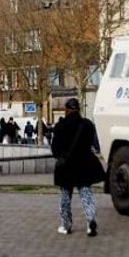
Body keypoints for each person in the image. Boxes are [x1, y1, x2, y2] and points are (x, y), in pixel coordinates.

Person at [51, 98, 105, 236]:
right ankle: (90, 220)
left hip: (66, 166)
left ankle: (66, 225)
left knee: (65, 196)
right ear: (79, 109)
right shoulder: (87, 125)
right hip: (84, 164)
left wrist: (60, 156)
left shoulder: (60, 126)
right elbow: (94, 144)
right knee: (85, 192)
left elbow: (55, 149)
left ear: (67, 109)